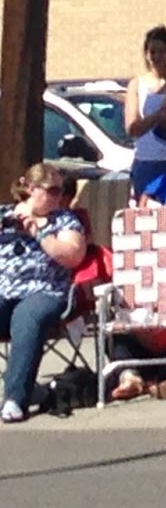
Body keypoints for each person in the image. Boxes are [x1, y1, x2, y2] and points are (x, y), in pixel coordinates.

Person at [0, 163, 88, 423]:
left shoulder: (64, 220)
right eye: (51, 190)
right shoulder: (5, 215)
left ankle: (15, 399)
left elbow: (74, 255)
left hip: (44, 291)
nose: (58, 197)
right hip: (4, 290)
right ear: (29, 188)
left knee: (28, 317)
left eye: (60, 191)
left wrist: (39, 234)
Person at [123, 24, 166, 197]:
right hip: (146, 162)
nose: (156, 56)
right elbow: (132, 128)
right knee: (145, 217)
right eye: (152, 52)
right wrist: (158, 116)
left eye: (161, 51)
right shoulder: (137, 85)